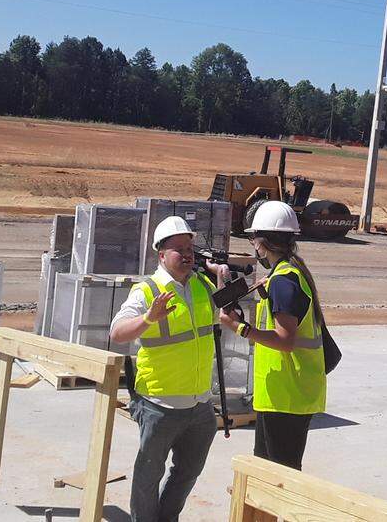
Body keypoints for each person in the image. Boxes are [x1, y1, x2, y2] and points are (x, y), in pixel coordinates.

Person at [110, 216, 227, 522]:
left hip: (200, 403)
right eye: (178, 248)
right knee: (148, 474)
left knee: (188, 472)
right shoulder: (148, 290)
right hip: (159, 403)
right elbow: (117, 332)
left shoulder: (203, 285)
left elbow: (226, 314)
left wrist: (223, 278)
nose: (187, 254)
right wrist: (149, 318)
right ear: (161, 255)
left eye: (189, 247)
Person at [218, 201, 326, 471]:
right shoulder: (286, 275)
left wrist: (240, 328)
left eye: (254, 239)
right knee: (265, 474)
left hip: (286, 395)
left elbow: (285, 340)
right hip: (283, 393)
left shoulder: (283, 281)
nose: (254, 246)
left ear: (263, 243)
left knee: (281, 478)